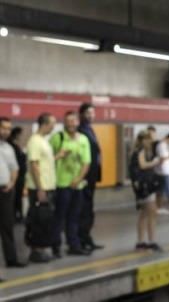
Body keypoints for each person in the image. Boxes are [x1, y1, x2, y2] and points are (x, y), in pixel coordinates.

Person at [49, 111, 91, 257]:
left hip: (77, 185)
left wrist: (79, 178)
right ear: (64, 123)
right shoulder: (57, 138)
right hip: (61, 184)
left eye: (73, 121)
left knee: (74, 216)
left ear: (78, 122)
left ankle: (74, 245)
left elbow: (87, 162)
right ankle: (56, 246)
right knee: (59, 216)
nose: (71, 124)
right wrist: (58, 156)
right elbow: (47, 161)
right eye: (68, 121)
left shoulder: (84, 140)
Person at [25, 113, 58, 262]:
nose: (53, 127)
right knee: (38, 219)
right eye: (52, 124)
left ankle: (42, 249)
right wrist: (40, 189)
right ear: (45, 124)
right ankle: (36, 251)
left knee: (46, 220)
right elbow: (34, 165)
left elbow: (45, 162)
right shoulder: (34, 141)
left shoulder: (43, 141)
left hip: (47, 186)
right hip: (40, 188)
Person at [130, 130, 163, 252]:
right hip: (146, 187)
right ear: (143, 140)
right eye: (148, 139)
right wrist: (154, 162)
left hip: (143, 187)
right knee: (152, 214)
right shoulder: (141, 151)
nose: (150, 142)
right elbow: (143, 165)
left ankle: (140, 241)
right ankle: (151, 241)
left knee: (144, 214)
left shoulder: (136, 151)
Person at [77, 102, 104, 251]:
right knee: (83, 209)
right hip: (85, 176)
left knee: (88, 208)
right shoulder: (81, 130)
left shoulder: (90, 129)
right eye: (88, 113)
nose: (91, 116)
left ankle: (87, 238)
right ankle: (82, 239)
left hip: (92, 175)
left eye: (93, 113)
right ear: (81, 114)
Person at [0, 117, 25, 268]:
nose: (6, 132)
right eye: (3, 128)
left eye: (8, 129)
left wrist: (11, 183)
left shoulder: (8, 148)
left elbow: (14, 168)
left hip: (6, 191)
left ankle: (11, 259)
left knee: (7, 226)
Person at [7, 127, 27, 222]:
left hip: (20, 176)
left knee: (18, 196)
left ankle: (17, 213)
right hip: (14, 177)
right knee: (13, 197)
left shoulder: (16, 146)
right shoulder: (10, 146)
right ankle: (14, 214)